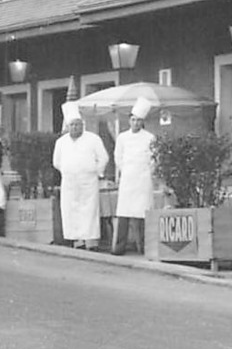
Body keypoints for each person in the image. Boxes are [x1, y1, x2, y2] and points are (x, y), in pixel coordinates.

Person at [52, 101, 109, 250]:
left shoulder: (93, 139)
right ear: (68, 127)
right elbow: (56, 162)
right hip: (69, 181)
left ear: (82, 125)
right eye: (72, 125)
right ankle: (75, 240)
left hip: (88, 181)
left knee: (89, 210)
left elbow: (103, 158)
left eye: (77, 124)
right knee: (70, 210)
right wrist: (67, 170)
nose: (75, 127)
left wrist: (96, 171)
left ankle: (90, 241)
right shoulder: (61, 142)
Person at [111, 97, 156, 255]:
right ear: (129, 121)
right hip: (128, 179)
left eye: (139, 121)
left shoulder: (149, 137)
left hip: (143, 180)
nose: (136, 123)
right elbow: (118, 157)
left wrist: (146, 172)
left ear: (142, 122)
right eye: (133, 120)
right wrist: (126, 170)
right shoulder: (122, 137)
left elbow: (154, 158)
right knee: (124, 214)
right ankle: (119, 247)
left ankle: (144, 247)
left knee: (143, 214)